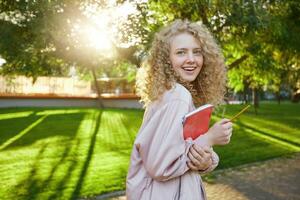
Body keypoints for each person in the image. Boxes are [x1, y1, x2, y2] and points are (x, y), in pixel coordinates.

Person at [126, 19, 233, 200]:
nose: (191, 59)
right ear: (166, 60)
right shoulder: (177, 96)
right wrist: (210, 138)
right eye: (181, 52)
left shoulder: (170, 93)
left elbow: (181, 148)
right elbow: (161, 165)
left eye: (197, 52)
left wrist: (206, 159)